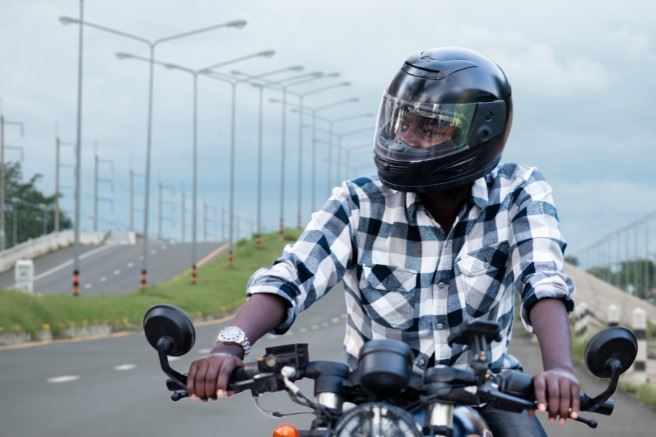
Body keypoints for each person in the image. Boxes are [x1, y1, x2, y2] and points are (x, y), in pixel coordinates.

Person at [186, 47, 579, 436]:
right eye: (403, 123)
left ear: (481, 132)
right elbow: (293, 275)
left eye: (428, 128)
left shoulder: (518, 194)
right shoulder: (359, 201)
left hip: (484, 389)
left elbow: (542, 278)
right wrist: (229, 346)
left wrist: (559, 369)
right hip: (372, 395)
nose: (406, 138)